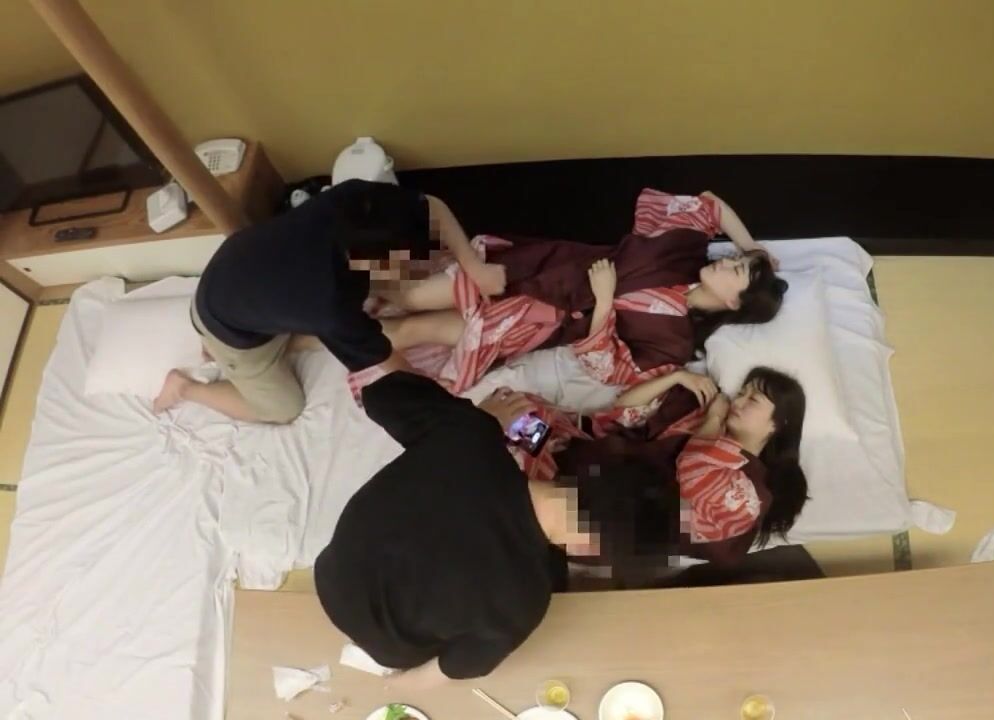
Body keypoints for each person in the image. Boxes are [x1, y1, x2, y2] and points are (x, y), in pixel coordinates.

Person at [314, 371, 679, 685]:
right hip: (389, 646)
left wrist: (474, 418)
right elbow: (453, 668)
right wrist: (401, 685)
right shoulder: (525, 600)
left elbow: (382, 395)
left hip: (333, 575)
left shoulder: (468, 434)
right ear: (593, 546)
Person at [345, 189, 788, 398]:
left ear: (734, 303)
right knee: (412, 296)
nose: (727, 261)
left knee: (413, 330)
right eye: (734, 258)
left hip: (532, 324)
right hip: (538, 269)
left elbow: (611, 370)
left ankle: (326, 331)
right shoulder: (683, 248)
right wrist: (753, 248)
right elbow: (711, 204)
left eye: (736, 269)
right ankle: (334, 286)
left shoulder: (675, 342)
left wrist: (604, 304)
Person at [152, 179, 503, 423]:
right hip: (226, 324)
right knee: (283, 409)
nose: (416, 269)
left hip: (244, 271)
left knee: (393, 302)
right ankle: (187, 388)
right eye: (405, 265)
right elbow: (385, 357)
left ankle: (284, 340)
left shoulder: (355, 201)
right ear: (367, 261)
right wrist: (433, 389)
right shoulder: (327, 304)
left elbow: (432, 206)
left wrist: (475, 267)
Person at [517, 366, 809, 565]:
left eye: (753, 399)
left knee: (515, 462)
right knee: (519, 411)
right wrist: (677, 377)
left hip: (603, 516)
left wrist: (714, 419)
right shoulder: (700, 415)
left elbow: (693, 468)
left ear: (778, 424)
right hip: (591, 463)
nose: (739, 401)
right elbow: (624, 410)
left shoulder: (750, 493)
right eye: (742, 392)